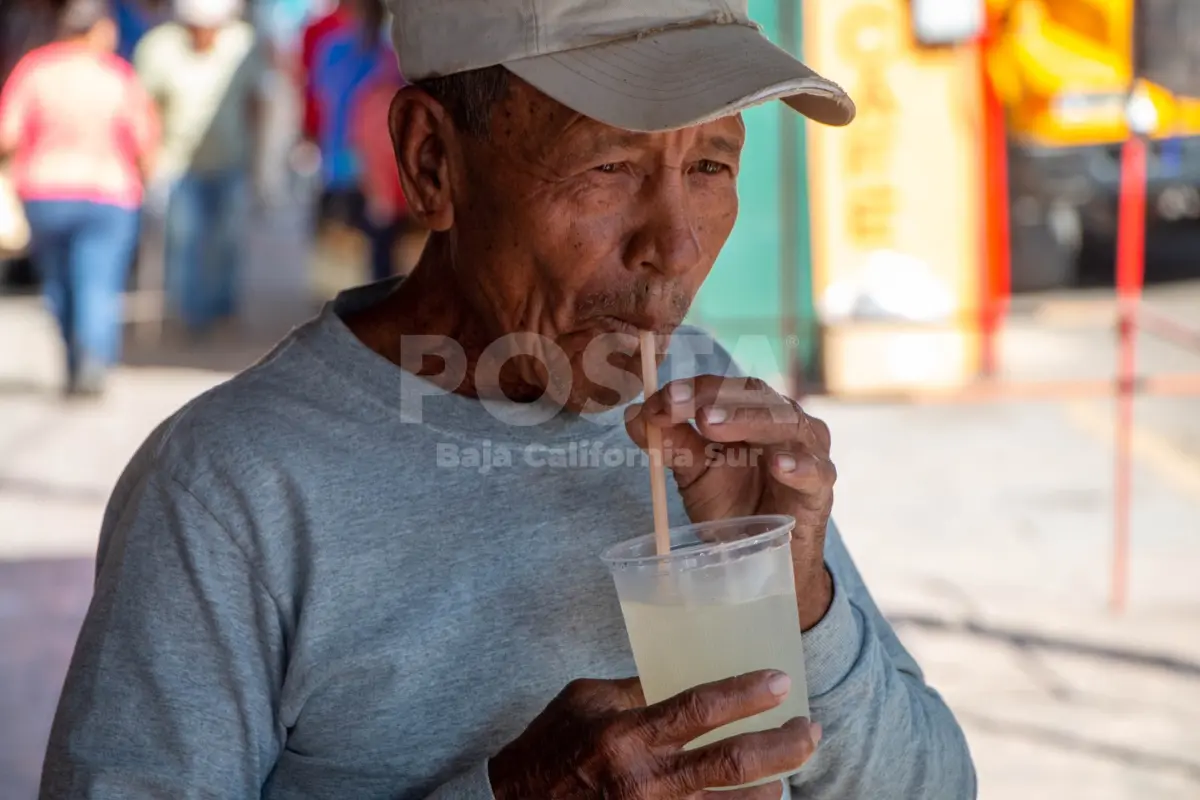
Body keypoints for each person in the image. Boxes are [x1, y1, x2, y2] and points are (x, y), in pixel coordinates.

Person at [39, 0, 978, 798]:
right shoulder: (228, 490)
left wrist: (802, 602)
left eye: (711, 166)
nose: (676, 246)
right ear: (432, 161)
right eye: (609, 166)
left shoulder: (707, 399)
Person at [0, 0, 159, 397]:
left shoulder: (36, 70)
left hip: (45, 192)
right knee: (99, 282)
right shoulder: (116, 75)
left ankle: (75, 358)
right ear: (99, 30)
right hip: (109, 194)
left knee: (58, 283)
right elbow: (144, 140)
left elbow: (8, 133)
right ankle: (93, 359)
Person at [133, 0, 268, 336]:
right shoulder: (158, 48)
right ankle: (191, 313)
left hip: (231, 158)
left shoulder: (243, 43)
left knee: (228, 238)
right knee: (184, 239)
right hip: (177, 163)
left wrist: (258, 156)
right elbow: (144, 108)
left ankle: (222, 307)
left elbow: (255, 102)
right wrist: (148, 161)